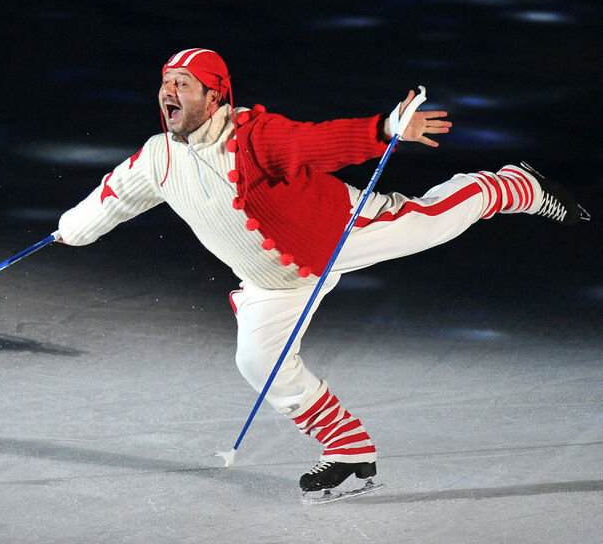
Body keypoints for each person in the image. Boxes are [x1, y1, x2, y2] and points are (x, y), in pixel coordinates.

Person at [56, 48, 589, 493]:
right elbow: (115, 196)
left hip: (335, 234)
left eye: (184, 84)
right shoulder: (158, 158)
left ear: (216, 95)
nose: (169, 92)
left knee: (432, 219)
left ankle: (514, 185)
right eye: (166, 83)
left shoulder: (254, 138)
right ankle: (349, 449)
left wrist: (384, 129)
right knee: (258, 363)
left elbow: (315, 142)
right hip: (273, 280)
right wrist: (70, 229)